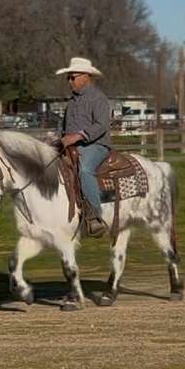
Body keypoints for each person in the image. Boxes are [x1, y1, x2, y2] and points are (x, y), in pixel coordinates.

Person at [55, 57, 111, 236]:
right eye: (68, 78)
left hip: (96, 145)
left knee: (85, 169)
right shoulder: (72, 102)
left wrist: (78, 136)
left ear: (85, 76)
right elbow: (64, 126)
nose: (69, 81)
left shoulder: (98, 98)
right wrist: (58, 138)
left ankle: (95, 216)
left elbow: (101, 125)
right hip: (72, 145)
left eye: (73, 77)